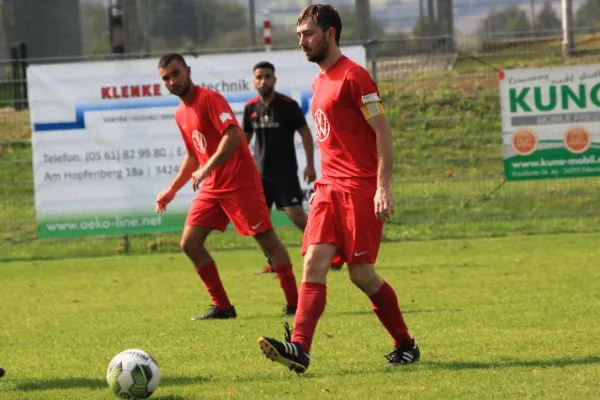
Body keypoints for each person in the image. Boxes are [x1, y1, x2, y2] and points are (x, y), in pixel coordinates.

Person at [257, 4, 419, 373]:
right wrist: (320, 183)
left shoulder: (355, 77)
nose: (302, 42)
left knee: (361, 275)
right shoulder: (318, 82)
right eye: (299, 35)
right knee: (312, 263)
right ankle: (299, 349)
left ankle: (405, 344)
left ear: (330, 34)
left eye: (308, 34)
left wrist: (383, 186)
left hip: (360, 190)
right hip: (328, 189)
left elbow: (383, 133)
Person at [155, 53, 299, 319]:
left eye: (176, 73)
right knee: (190, 243)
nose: (172, 81)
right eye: (166, 78)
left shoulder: (210, 99)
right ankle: (222, 306)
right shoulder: (180, 113)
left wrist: (207, 167)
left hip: (239, 183)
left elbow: (233, 135)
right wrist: (172, 190)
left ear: (188, 70)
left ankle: (295, 304)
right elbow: (192, 154)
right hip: (212, 187)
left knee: (267, 239)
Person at [242, 61, 344, 274]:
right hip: (259, 176)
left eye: (267, 76)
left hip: (285, 174)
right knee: (259, 224)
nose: (263, 81)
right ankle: (274, 262)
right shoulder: (250, 108)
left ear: (274, 79)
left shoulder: (287, 105)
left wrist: (309, 165)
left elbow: (305, 133)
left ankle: (332, 253)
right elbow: (244, 140)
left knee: (298, 217)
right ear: (253, 81)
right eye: (259, 77)